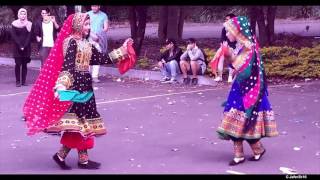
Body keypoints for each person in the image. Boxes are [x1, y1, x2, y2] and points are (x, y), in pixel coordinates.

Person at [23, 13, 135, 170]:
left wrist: (123, 49)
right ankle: (77, 159)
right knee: (78, 124)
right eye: (86, 24)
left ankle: (67, 157)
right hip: (75, 87)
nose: (88, 27)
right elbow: (67, 67)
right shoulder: (71, 43)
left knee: (82, 125)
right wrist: (62, 84)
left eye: (89, 24)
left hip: (86, 86)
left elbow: (102, 58)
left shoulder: (86, 43)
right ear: (77, 25)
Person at [216, 16, 278, 166]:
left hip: (250, 93)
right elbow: (236, 69)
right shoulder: (244, 46)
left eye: (229, 31)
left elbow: (244, 72)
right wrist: (228, 56)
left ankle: (247, 153)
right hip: (241, 90)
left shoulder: (249, 48)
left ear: (238, 31)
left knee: (242, 121)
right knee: (239, 121)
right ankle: (253, 151)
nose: (228, 34)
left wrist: (229, 55)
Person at [211, 13, 236, 83]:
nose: (226, 21)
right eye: (225, 19)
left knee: (231, 58)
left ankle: (230, 76)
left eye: (228, 19)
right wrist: (223, 46)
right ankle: (220, 76)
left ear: (232, 20)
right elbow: (222, 41)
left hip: (235, 49)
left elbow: (237, 41)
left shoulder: (237, 29)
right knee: (221, 55)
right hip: (225, 48)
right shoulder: (224, 29)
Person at [10, 8, 32, 87]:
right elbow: (14, 35)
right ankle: (18, 81)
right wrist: (20, 45)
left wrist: (24, 46)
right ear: (19, 15)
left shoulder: (29, 24)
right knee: (18, 64)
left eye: (24, 14)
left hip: (26, 48)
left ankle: (23, 81)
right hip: (17, 48)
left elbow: (29, 36)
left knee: (25, 65)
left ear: (26, 15)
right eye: (21, 14)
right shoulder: (14, 23)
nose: (23, 15)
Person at [87, 5, 109, 83]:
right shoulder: (87, 14)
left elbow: (106, 28)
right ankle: (87, 76)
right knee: (87, 57)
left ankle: (95, 76)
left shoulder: (104, 15)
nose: (94, 8)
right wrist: (91, 34)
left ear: (99, 6)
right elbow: (85, 26)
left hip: (99, 39)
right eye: (92, 6)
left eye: (95, 6)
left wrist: (99, 35)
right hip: (88, 38)